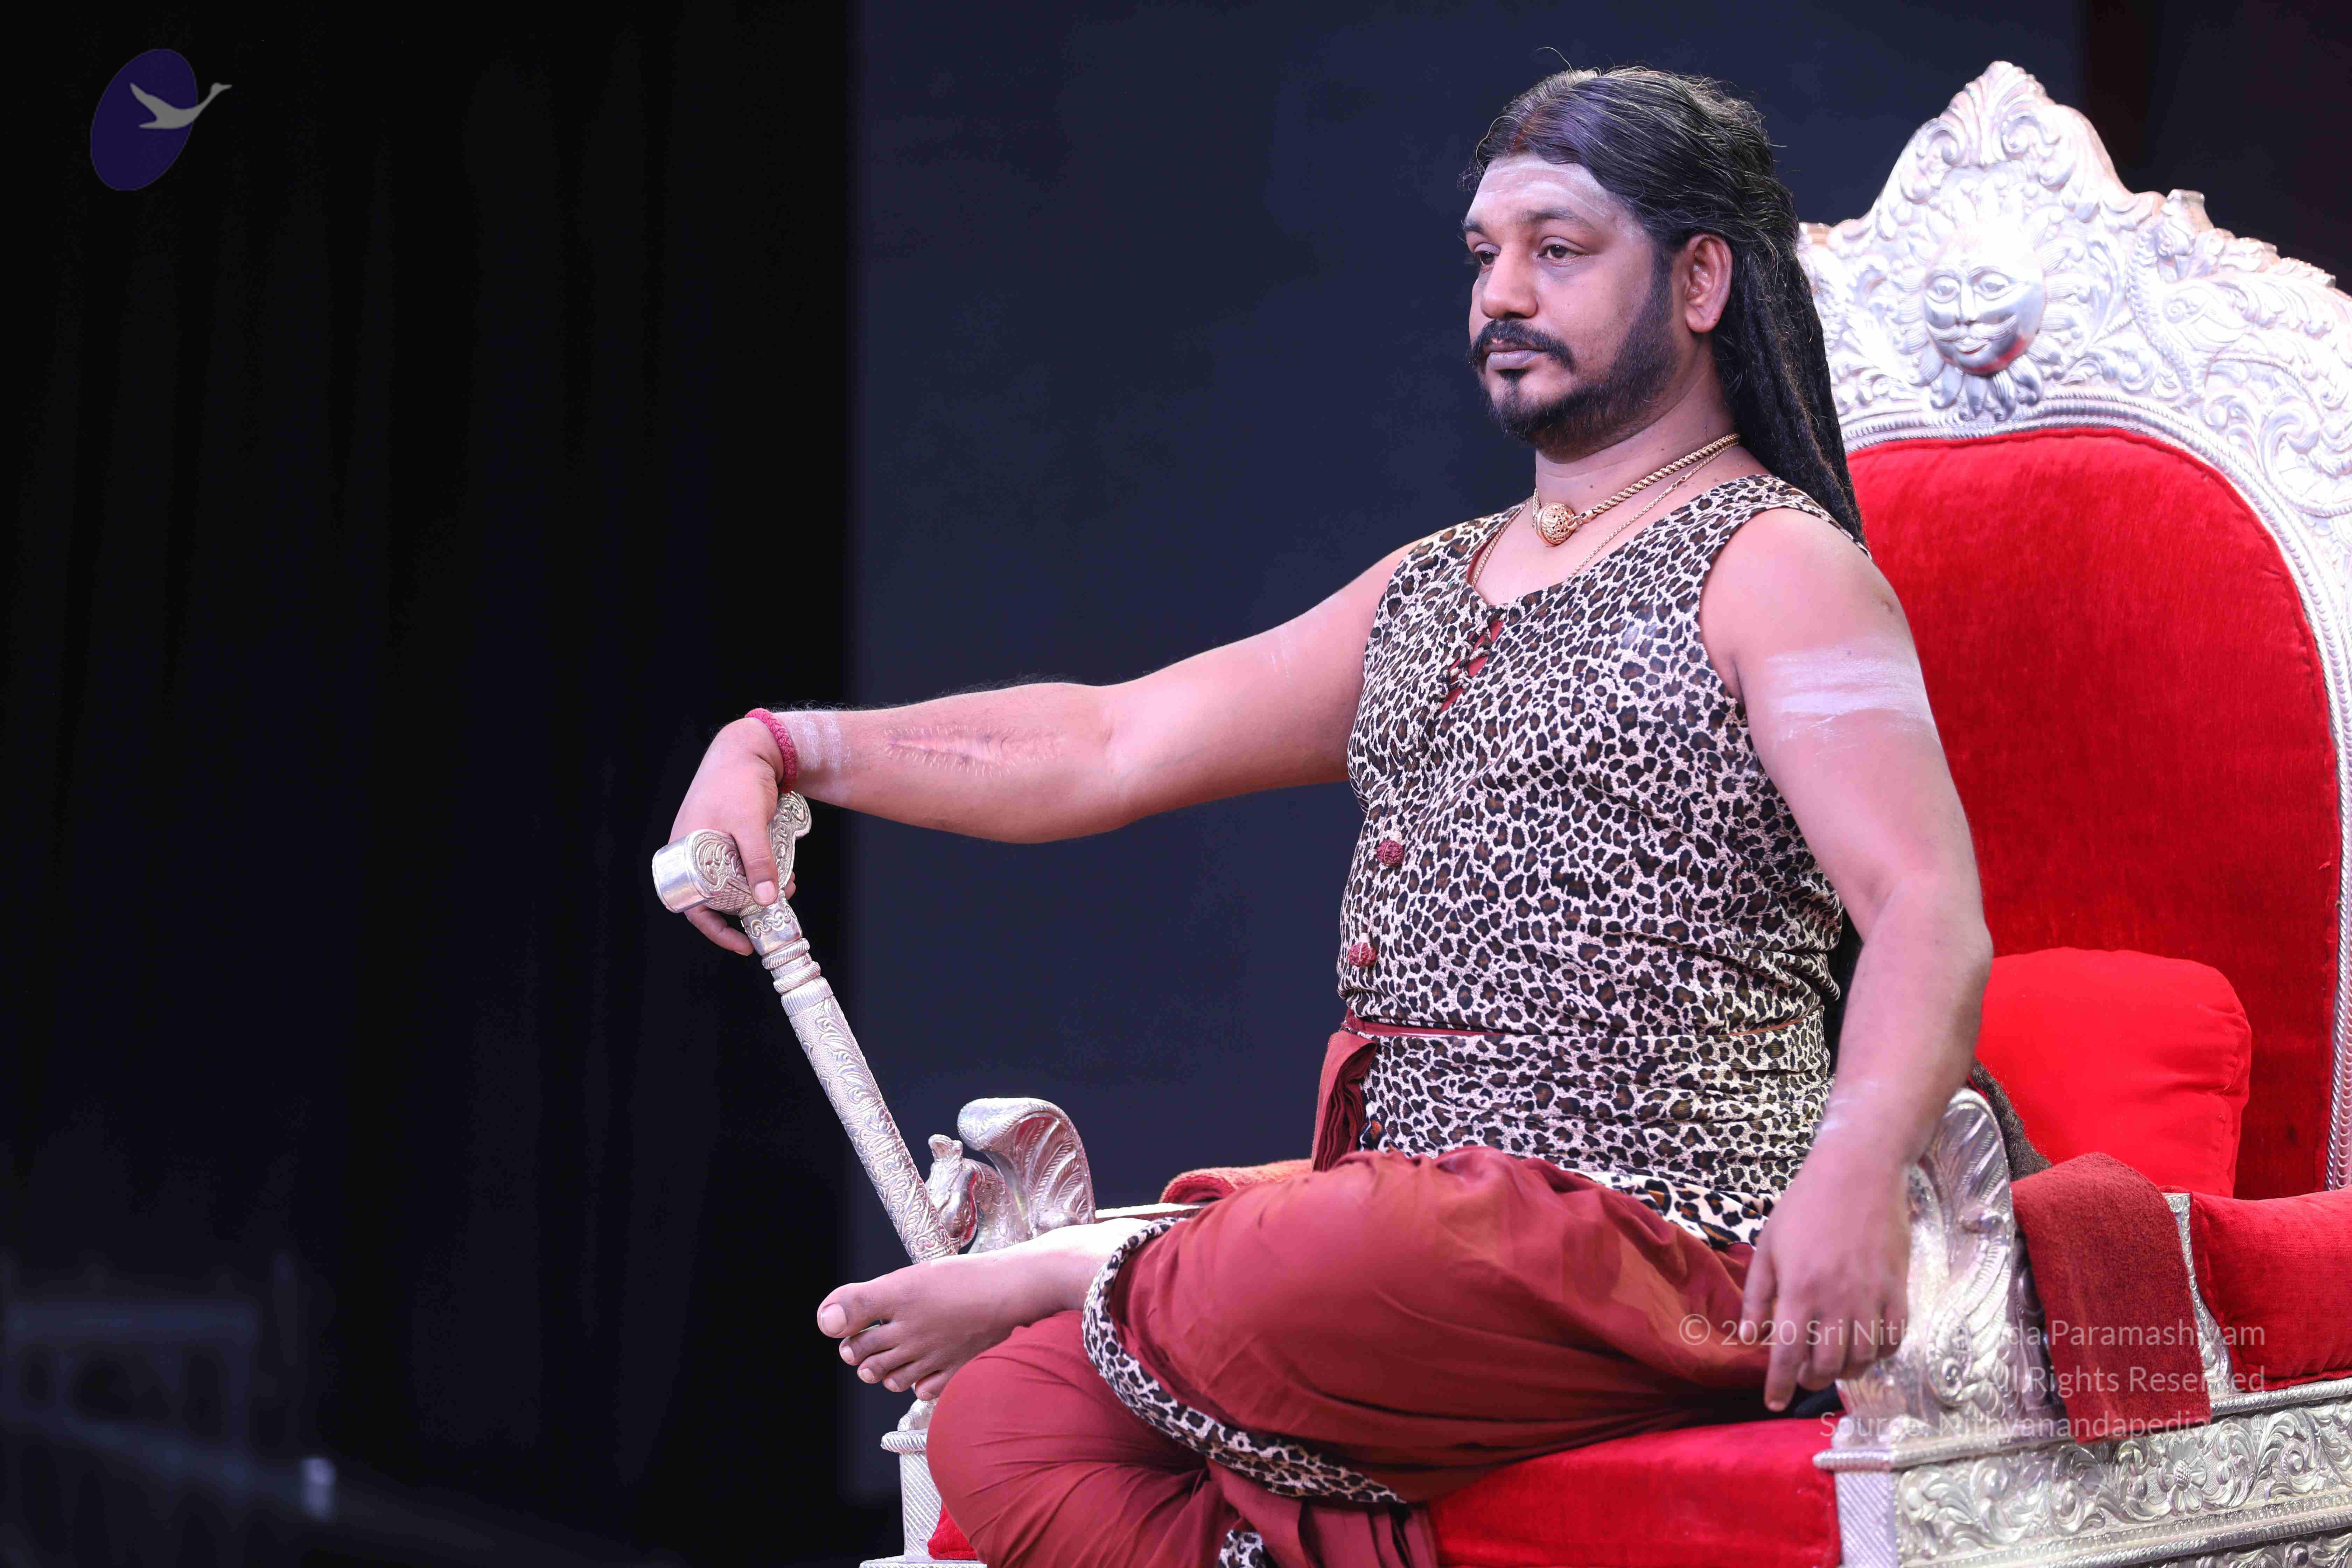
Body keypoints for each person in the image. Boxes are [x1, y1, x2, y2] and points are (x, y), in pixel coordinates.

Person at [667, 64, 1990, 1568]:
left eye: (1558, 250)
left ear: (1700, 281)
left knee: (1333, 1247)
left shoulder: (1775, 565)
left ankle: (1075, 1272)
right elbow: (1107, 741)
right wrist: (788, 746)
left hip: (1655, 1236)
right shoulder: (1434, 586)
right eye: (1483, 254)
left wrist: (1853, 1175)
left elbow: (1925, 908)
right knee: (1005, 1426)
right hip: (1406, 1241)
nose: (1502, 293)